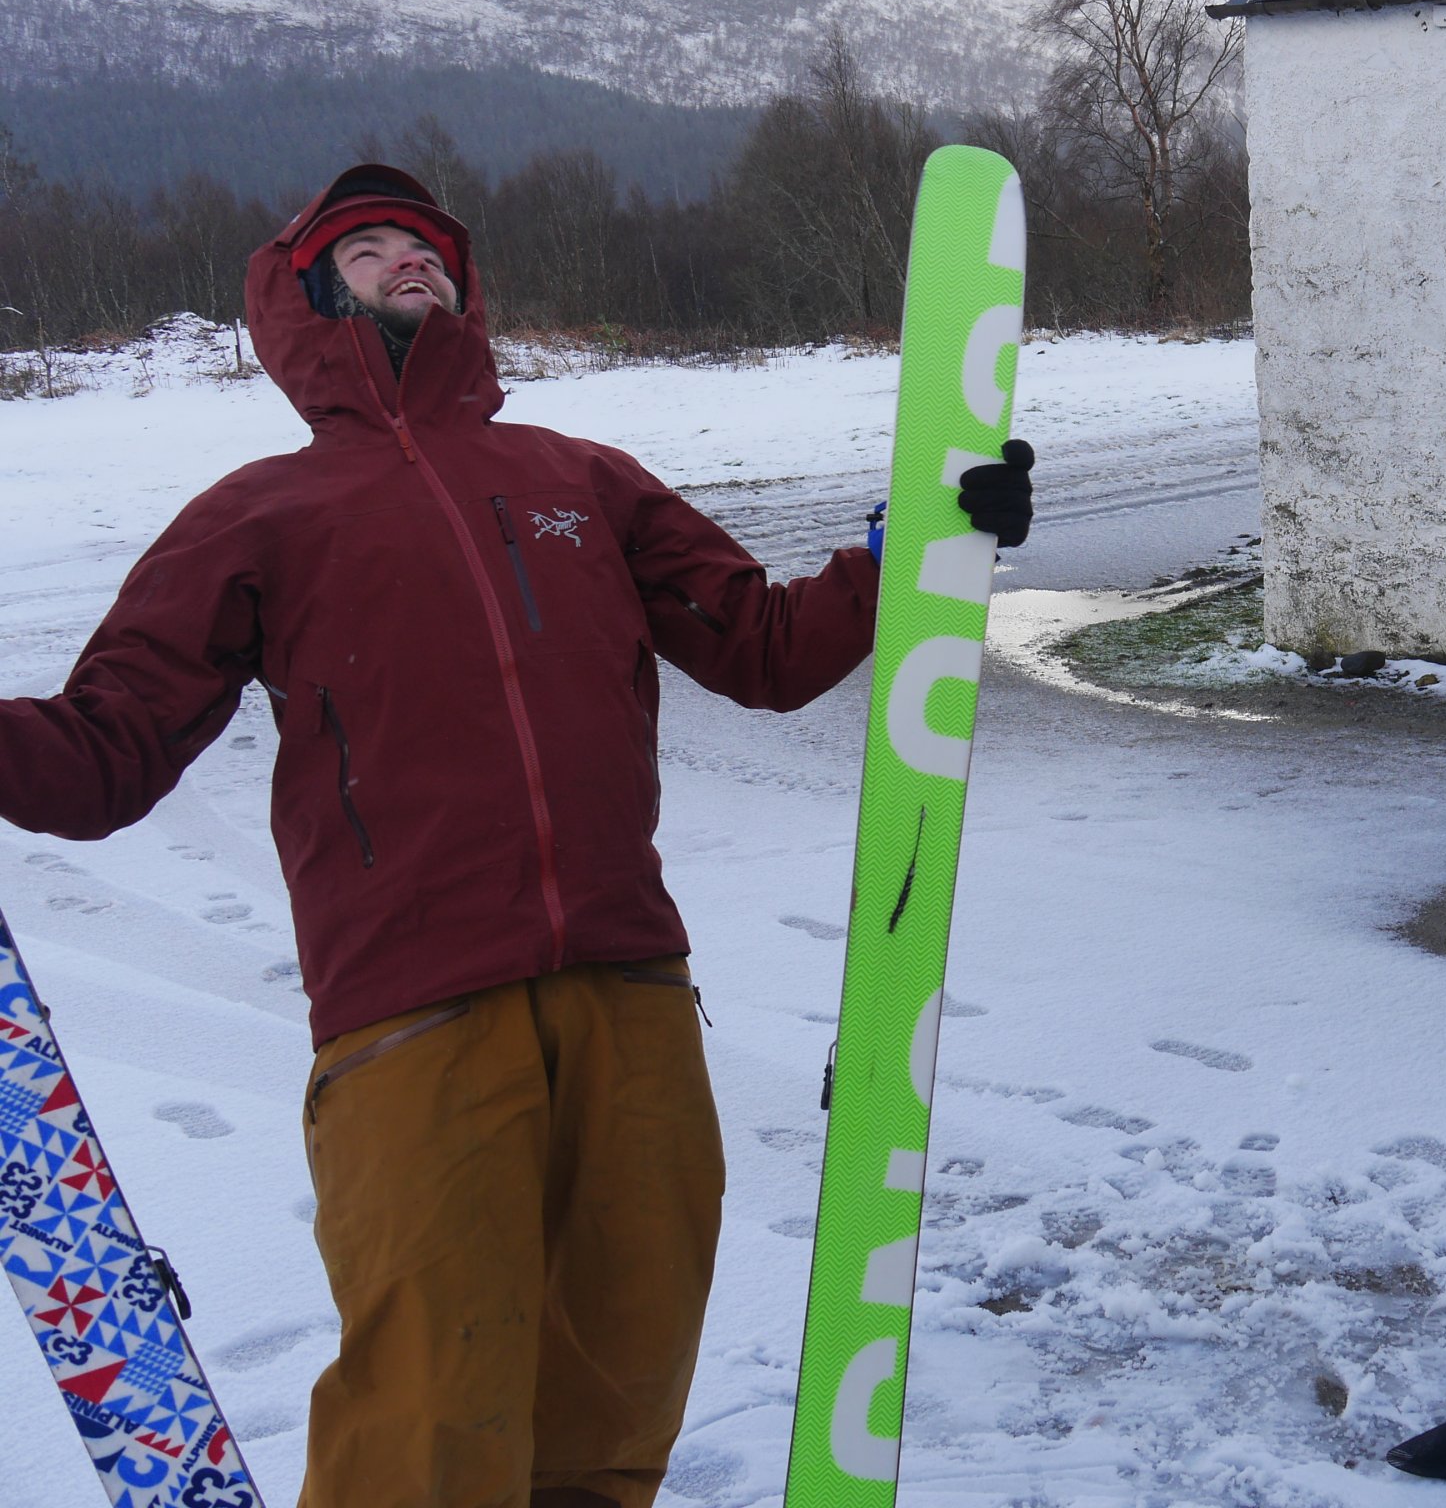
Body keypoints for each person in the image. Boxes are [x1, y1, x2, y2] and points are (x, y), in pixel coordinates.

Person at [0, 164, 1036, 1508]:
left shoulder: (577, 479)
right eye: (370, 249)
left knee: (620, 1387)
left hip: (629, 985)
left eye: (428, 246)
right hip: (412, 1017)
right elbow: (103, 755)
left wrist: (912, 557)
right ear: (308, 301)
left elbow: (765, 647)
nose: (410, 259)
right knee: (430, 1416)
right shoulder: (259, 516)